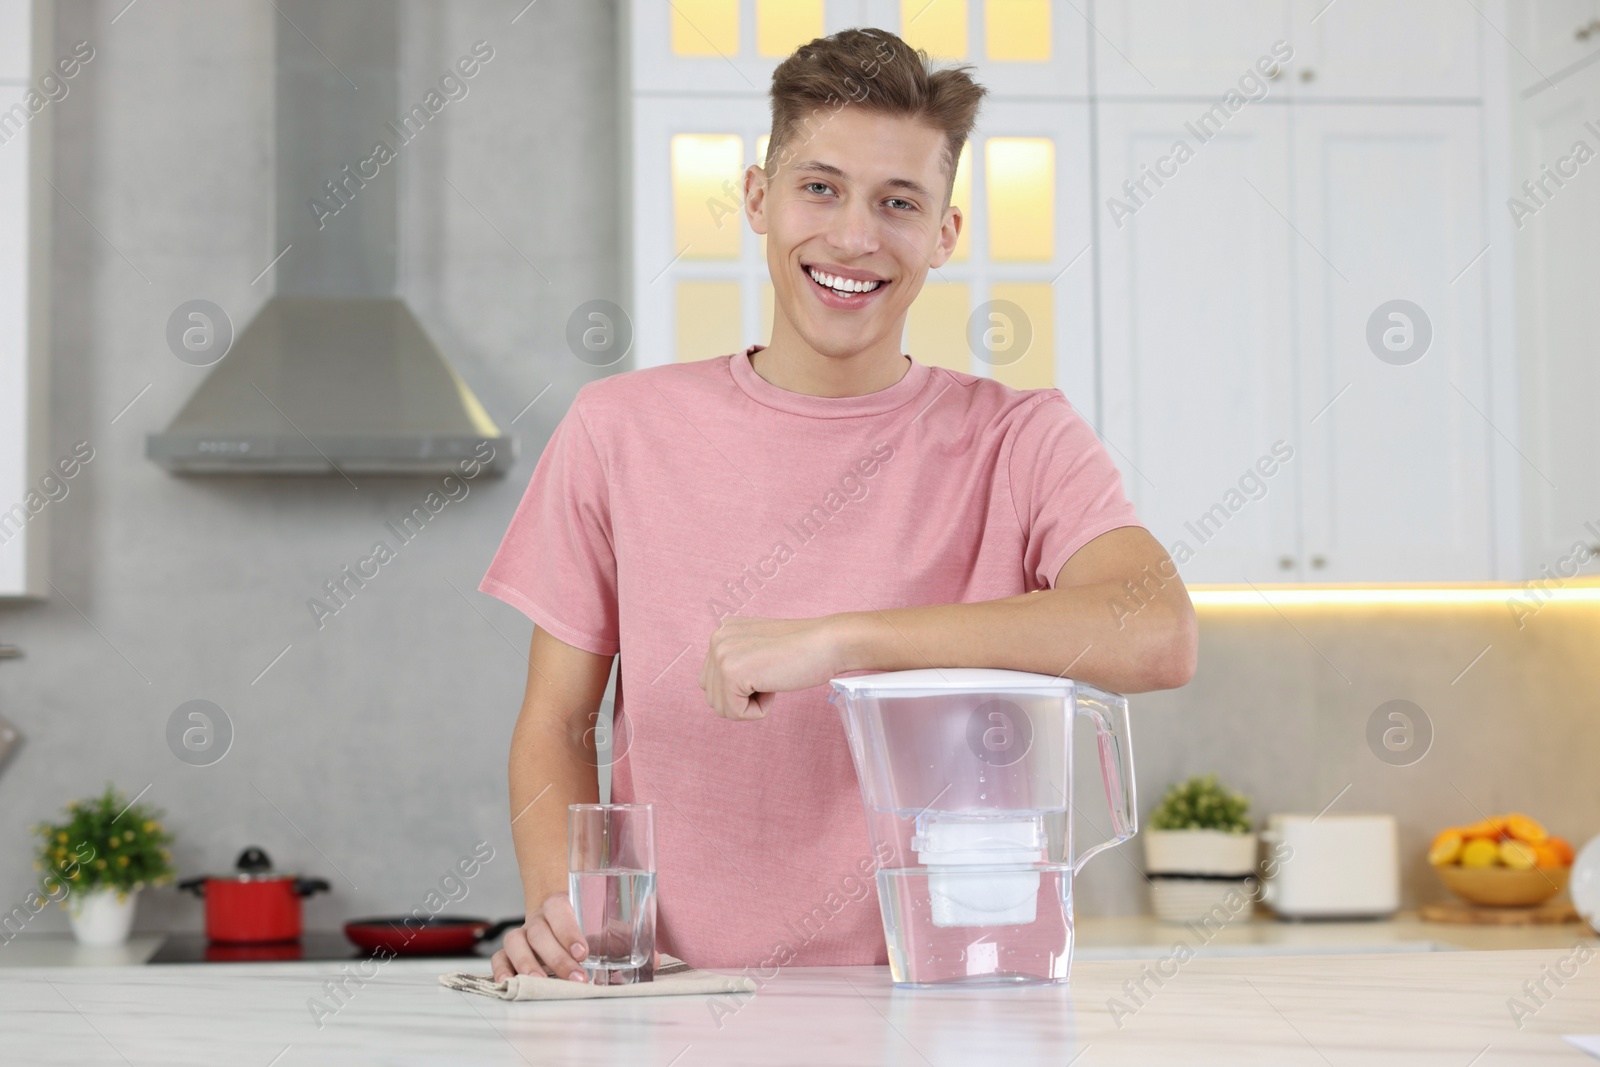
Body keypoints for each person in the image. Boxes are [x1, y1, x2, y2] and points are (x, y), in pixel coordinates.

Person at [482, 27, 1197, 983]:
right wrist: (571, 923)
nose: (854, 235)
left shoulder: (1022, 438)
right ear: (756, 199)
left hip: (955, 1007)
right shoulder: (618, 430)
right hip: (683, 1003)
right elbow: (557, 724)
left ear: (943, 235)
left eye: (898, 202)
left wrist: (846, 641)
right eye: (819, 187)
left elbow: (1157, 633)